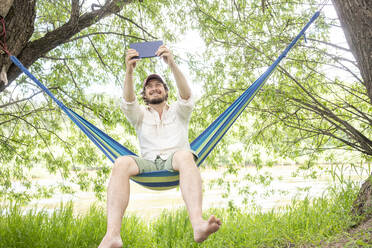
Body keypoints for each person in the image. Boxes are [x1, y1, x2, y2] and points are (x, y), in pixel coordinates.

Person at [98, 45, 221, 248]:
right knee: (120, 162)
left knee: (185, 155)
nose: (154, 88)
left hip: (176, 161)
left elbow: (187, 95)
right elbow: (128, 102)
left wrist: (171, 63)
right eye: (149, 87)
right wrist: (129, 70)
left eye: (158, 85)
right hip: (148, 163)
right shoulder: (140, 115)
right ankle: (112, 236)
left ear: (165, 90)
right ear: (145, 95)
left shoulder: (180, 111)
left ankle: (198, 224)